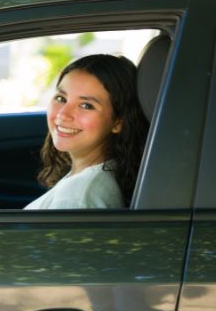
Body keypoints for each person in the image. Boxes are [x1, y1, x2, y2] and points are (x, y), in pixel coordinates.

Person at [25, 54, 148, 210]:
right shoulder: (99, 177)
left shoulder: (76, 199)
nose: (63, 114)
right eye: (61, 98)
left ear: (118, 122)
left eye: (86, 106)